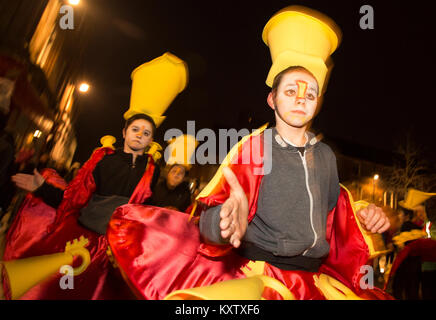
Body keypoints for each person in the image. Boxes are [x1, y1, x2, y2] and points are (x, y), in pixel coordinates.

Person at [105, 6, 392, 300]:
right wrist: (224, 222)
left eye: (309, 94)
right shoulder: (253, 148)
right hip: (262, 276)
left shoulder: (327, 157)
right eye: (291, 91)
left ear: (317, 104)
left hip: (316, 282)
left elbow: (336, 214)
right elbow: (209, 217)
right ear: (272, 99)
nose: (300, 100)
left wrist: (365, 213)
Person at [4, 113, 160, 299]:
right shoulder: (103, 159)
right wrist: (42, 188)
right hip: (86, 242)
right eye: (135, 129)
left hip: (120, 251)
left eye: (146, 133)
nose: (139, 135)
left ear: (150, 140)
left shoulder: (152, 170)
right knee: (68, 290)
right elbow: (75, 198)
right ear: (124, 132)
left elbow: (146, 211)